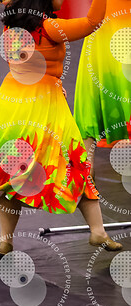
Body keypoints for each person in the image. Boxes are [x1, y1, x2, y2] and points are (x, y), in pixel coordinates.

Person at [0, 0, 122, 258]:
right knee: (75, 165)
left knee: (12, 171)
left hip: (11, 103)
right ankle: (97, 231)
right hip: (43, 104)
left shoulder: (10, 26)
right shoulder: (49, 28)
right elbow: (91, 22)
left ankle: (5, 241)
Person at [74, 0, 131, 177]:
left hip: (103, 28)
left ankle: (87, 176)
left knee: (91, 102)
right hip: (108, 26)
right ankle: (87, 175)